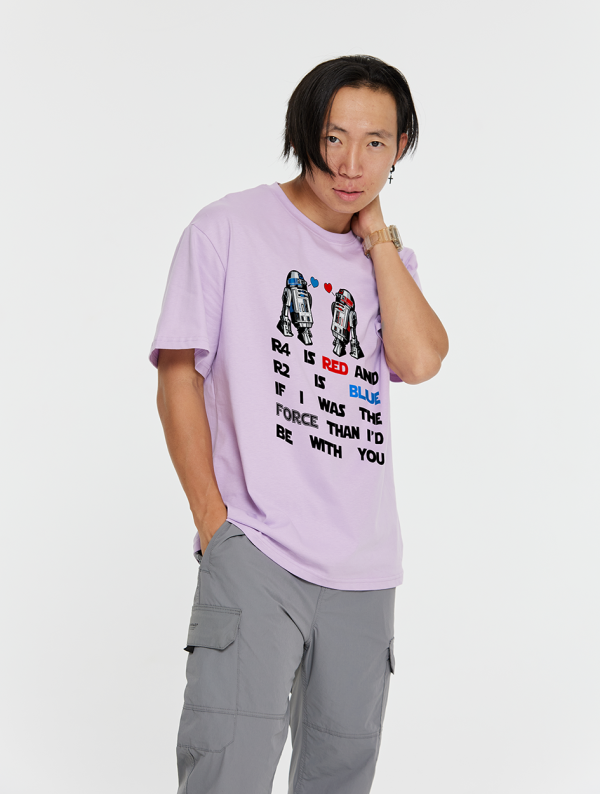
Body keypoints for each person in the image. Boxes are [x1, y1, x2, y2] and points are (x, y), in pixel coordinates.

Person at [149, 54, 448, 794]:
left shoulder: (386, 260)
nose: (351, 163)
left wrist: (377, 237)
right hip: (257, 548)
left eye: (375, 143)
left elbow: (421, 360)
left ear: (401, 147)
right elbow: (179, 375)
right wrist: (215, 523)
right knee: (228, 771)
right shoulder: (227, 228)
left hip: (365, 568)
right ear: (303, 132)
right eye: (333, 137)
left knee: (340, 778)